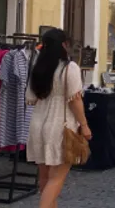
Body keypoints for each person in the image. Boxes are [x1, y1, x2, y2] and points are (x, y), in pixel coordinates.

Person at [26, 28, 91, 208]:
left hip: (37, 124)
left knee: (45, 177)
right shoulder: (69, 68)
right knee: (56, 178)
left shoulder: (37, 67)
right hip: (59, 127)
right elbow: (75, 100)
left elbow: (31, 98)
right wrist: (84, 125)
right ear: (64, 44)